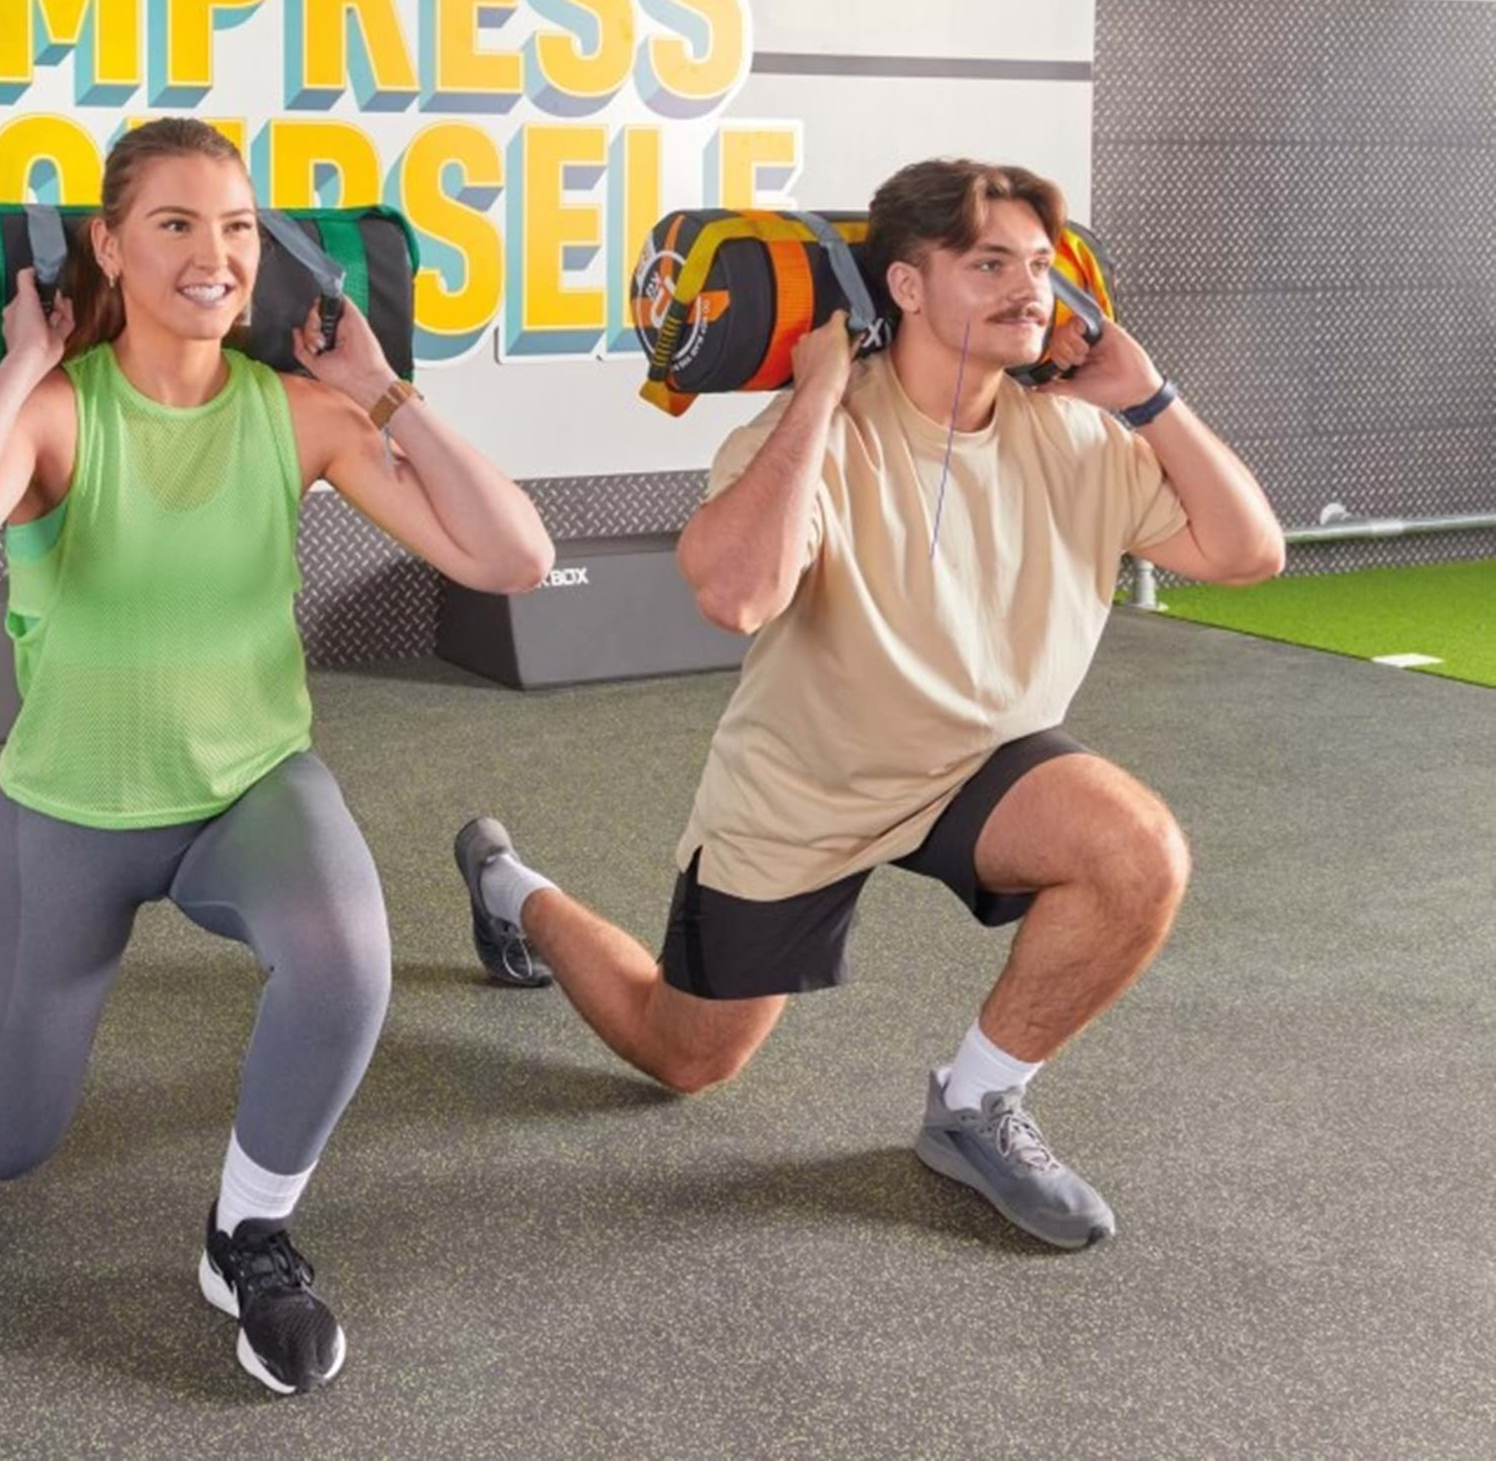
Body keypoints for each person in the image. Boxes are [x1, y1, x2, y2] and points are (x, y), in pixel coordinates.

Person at [455, 157, 1285, 1248]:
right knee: (684, 1057)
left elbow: (1247, 551)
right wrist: (814, 394)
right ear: (902, 286)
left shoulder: (1078, 436)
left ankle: (976, 1104)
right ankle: (515, 891)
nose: (1027, 288)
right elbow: (735, 592)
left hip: (981, 767)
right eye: (987, 262)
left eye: (1038, 264)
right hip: (810, 786)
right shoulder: (810, 439)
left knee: (1138, 852)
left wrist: (1149, 398)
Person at [0, 117, 555, 1390]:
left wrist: (384, 390)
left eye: (235, 227)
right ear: (109, 246)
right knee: (0, 1137)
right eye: (174, 223)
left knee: (346, 964)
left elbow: (511, 556)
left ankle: (246, 1233)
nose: (214, 253)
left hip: (248, 784)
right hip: (71, 804)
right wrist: (17, 369)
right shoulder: (59, 418)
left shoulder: (299, 418)